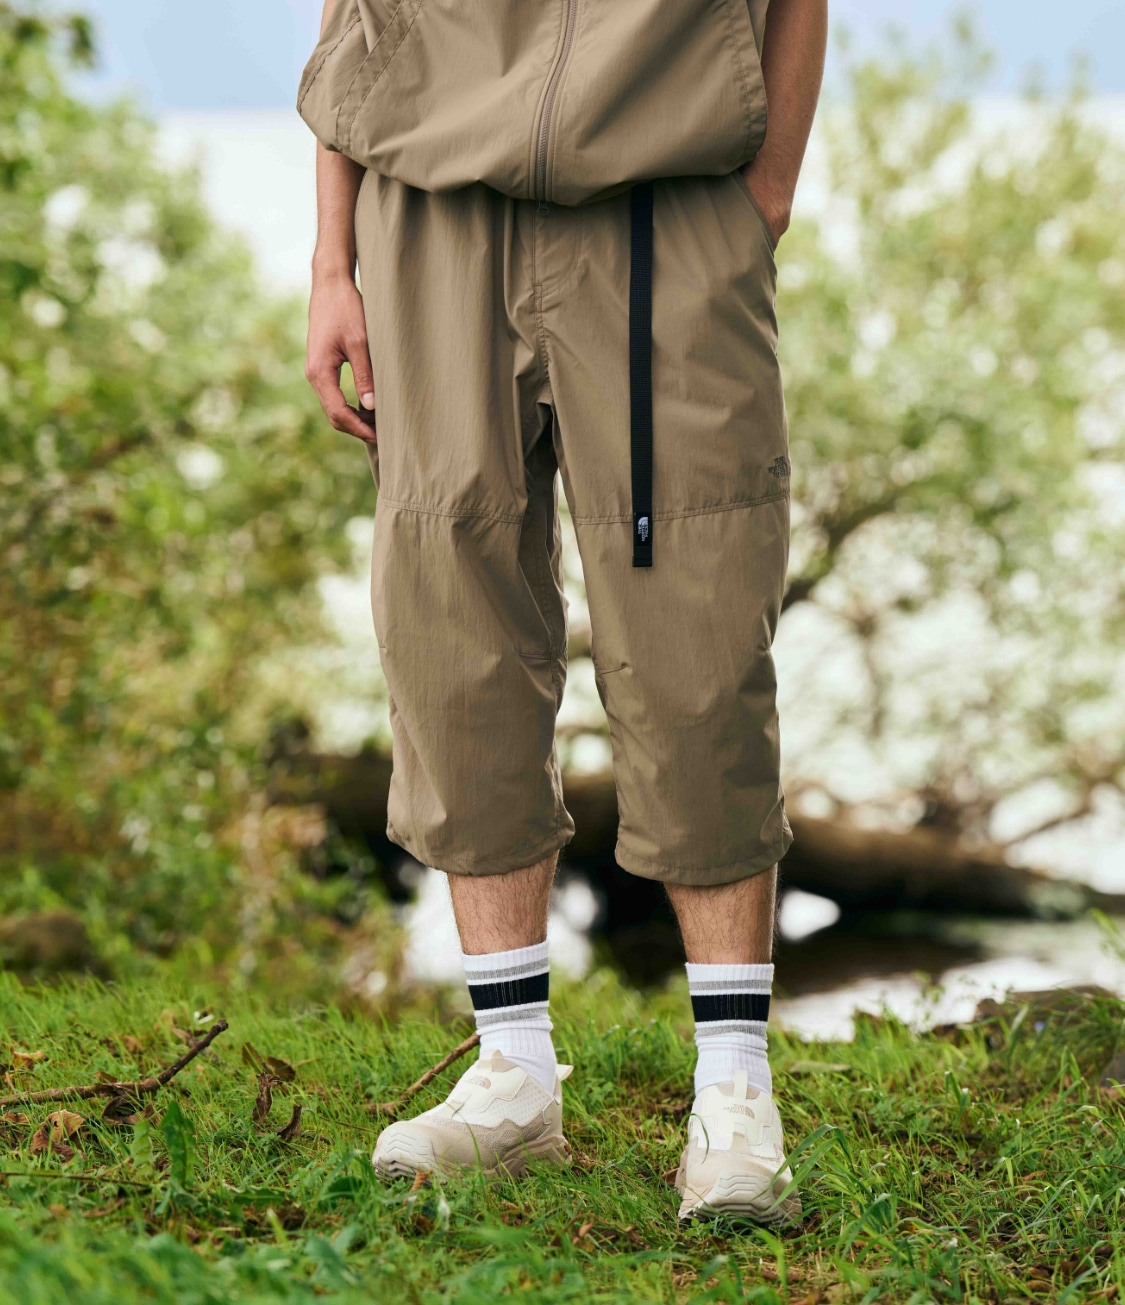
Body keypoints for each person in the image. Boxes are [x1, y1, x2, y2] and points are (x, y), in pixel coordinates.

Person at [301, 0, 825, 1223]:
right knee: (450, 640)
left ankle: (736, 1091)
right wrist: (333, 262)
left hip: (668, 205)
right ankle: (513, 1073)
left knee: (700, 647)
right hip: (428, 212)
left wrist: (765, 195)